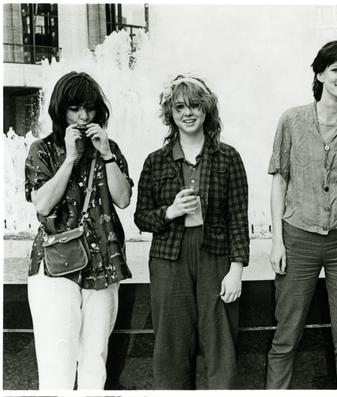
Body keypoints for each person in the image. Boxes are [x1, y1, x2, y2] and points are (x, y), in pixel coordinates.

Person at [266, 41, 337, 389]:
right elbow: (279, 180)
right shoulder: (292, 120)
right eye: (336, 69)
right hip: (298, 238)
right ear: (320, 73)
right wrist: (277, 242)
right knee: (286, 335)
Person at [134, 74, 249, 389]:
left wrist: (236, 269)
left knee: (221, 346)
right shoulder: (156, 162)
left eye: (195, 105)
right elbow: (141, 217)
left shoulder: (228, 157)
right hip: (170, 258)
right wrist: (170, 212)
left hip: (215, 254)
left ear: (206, 109)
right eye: (179, 107)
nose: (188, 113)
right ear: (170, 113)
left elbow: (238, 216)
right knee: (171, 347)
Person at [24, 71, 133, 389]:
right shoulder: (42, 150)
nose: (83, 116)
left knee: (95, 360)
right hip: (56, 267)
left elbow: (123, 199)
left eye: (89, 109)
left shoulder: (108, 148)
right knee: (56, 361)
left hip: (104, 264)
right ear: (61, 110)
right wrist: (70, 158)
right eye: (75, 109)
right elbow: (42, 204)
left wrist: (106, 154)